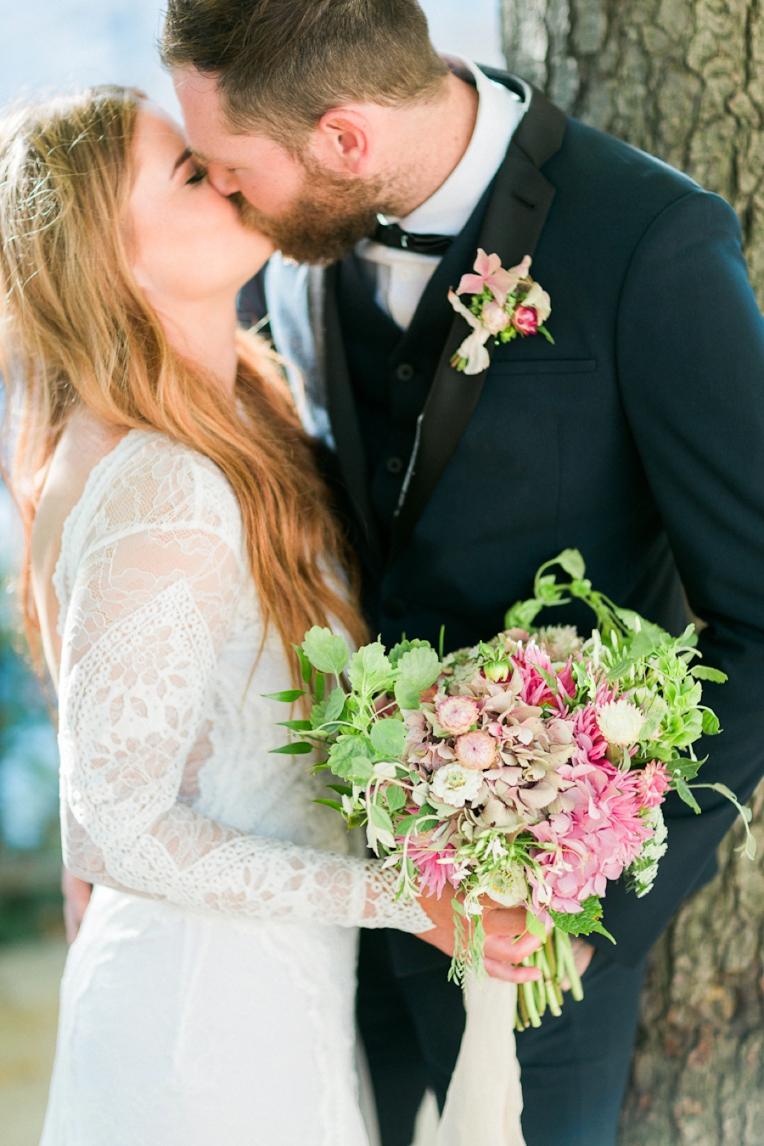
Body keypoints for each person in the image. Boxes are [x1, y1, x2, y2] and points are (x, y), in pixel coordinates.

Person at [155, 2, 764, 1145]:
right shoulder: (293, 241)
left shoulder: (648, 242)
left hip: (528, 932)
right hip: (309, 905)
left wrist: (588, 898)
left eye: (232, 170)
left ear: (344, 139)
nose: (222, 195)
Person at [0, 86, 535, 1146]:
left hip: (271, 995)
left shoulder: (241, 413)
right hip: (202, 1031)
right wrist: (411, 899)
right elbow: (112, 828)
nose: (226, 171)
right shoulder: (158, 479)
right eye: (189, 173)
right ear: (112, 261)